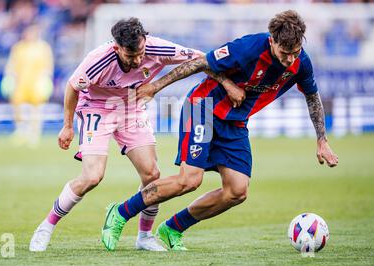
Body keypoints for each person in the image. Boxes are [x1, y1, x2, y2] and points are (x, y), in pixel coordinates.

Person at [101, 10, 339, 251]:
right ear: (272, 40)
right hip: (203, 106)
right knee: (189, 180)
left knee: (237, 191)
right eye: (284, 53)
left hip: (235, 121)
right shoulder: (248, 47)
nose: (289, 59)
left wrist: (322, 139)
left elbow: (312, 95)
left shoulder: (302, 62)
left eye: (294, 53)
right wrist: (156, 86)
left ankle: (173, 227)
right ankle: (120, 213)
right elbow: (200, 62)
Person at [29, 17, 239, 252]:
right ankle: (46, 227)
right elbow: (72, 87)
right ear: (117, 48)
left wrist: (226, 83)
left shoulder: (158, 48)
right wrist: (67, 126)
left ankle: (144, 236)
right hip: (97, 108)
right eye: (131, 56)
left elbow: (202, 59)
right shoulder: (98, 60)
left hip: (130, 108)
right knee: (92, 177)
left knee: (152, 174)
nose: (138, 60)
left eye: (140, 52)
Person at [2, 23, 54, 148]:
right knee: (19, 107)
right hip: (21, 83)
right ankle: (21, 130)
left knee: (36, 109)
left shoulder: (43, 47)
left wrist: (46, 79)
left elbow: (48, 65)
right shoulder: (19, 47)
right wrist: (9, 77)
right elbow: (11, 64)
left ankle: (34, 133)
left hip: (36, 84)